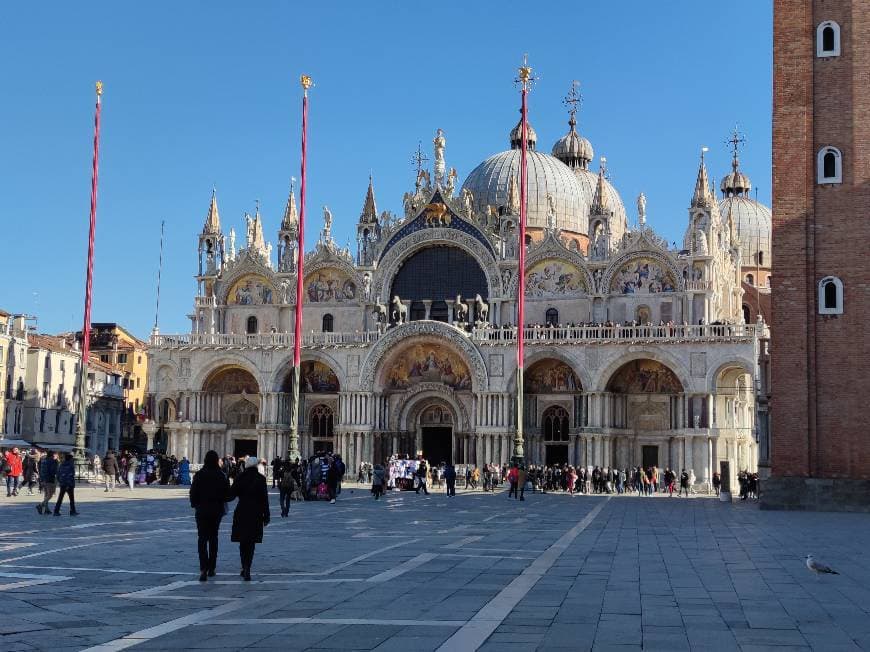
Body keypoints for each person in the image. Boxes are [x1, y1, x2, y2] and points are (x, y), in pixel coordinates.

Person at [228, 452, 270, 581]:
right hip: (256, 513)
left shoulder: (240, 477)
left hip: (242, 511)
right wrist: (266, 515)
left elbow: (231, 495)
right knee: (251, 543)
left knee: (242, 541)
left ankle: (243, 566)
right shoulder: (261, 479)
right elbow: (265, 499)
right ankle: (248, 568)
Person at [189, 450, 230, 582]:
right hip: (216, 511)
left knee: (202, 539)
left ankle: (203, 569)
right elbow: (227, 495)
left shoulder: (199, 475)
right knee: (213, 538)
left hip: (202, 510)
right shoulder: (221, 475)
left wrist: (195, 504)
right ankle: (212, 567)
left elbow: (193, 492)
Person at [36, 451, 59, 515]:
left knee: (46, 494)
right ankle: (41, 505)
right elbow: (53, 471)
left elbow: (40, 469)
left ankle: (46, 509)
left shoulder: (43, 460)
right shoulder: (53, 461)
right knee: (50, 495)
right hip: (50, 479)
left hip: (43, 479)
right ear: (52, 455)